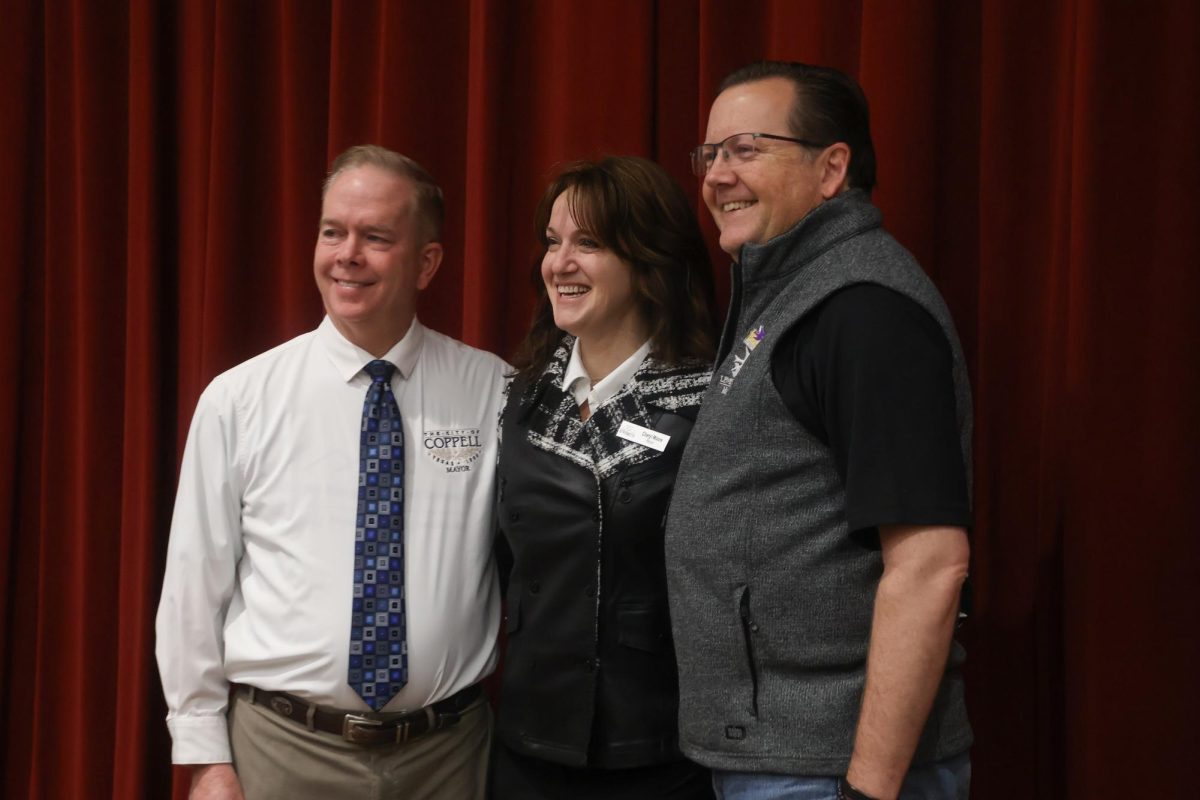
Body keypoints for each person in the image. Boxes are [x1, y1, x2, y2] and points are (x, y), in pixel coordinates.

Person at [155, 144, 507, 800]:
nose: (347, 254)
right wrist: (204, 756)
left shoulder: (495, 392)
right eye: (332, 232)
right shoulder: (239, 399)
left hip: (449, 759)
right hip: (281, 753)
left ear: (427, 262)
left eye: (375, 237)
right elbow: (193, 587)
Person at [665, 62, 974, 800]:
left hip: (832, 771)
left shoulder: (864, 310)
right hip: (783, 759)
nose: (717, 176)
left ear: (832, 167)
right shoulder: (786, 290)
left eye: (745, 149)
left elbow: (930, 565)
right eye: (709, 155)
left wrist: (868, 789)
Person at [492, 156, 718, 799]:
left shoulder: (713, 398)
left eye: (588, 243)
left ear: (649, 262)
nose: (559, 263)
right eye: (553, 242)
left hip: (663, 752)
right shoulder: (519, 395)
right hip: (530, 747)